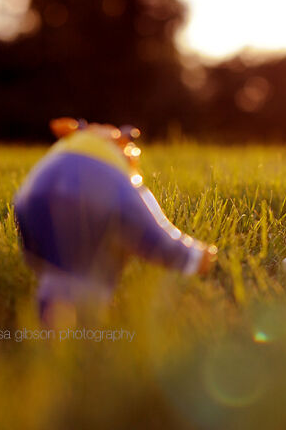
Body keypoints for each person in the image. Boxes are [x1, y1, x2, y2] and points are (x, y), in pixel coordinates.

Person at [14, 118, 217, 325]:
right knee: (96, 269)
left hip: (30, 199)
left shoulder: (56, 159)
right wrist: (194, 257)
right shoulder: (116, 179)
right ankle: (87, 321)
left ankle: (55, 316)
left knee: (59, 269)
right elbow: (152, 233)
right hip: (90, 205)